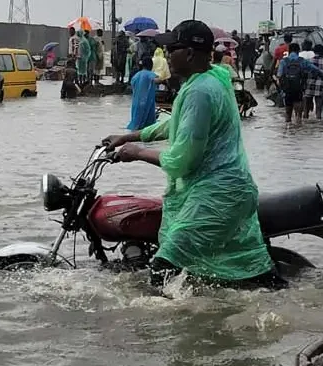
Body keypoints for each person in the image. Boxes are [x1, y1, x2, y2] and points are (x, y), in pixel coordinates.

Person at [102, 19, 277, 289]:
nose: (167, 56)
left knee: (165, 265)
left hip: (215, 196)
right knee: (241, 270)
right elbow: (176, 123)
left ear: (190, 53)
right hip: (228, 190)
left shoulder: (199, 91)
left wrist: (136, 153)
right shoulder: (214, 76)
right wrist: (129, 136)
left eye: (173, 50)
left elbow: (181, 160)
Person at [277, 43, 323, 123]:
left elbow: (279, 76)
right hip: (298, 89)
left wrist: (282, 90)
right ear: (298, 51)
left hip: (287, 90)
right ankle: (299, 132)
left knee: (288, 116)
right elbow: (316, 70)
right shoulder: (302, 61)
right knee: (299, 117)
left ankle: (288, 132)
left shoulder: (284, 61)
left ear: (289, 51)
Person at [127, 58, 158, 130]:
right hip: (147, 102)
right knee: (149, 125)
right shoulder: (150, 74)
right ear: (151, 66)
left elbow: (132, 85)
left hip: (136, 102)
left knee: (136, 122)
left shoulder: (136, 75)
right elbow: (156, 80)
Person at [303, 44, 323, 120]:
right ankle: (318, 125)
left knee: (305, 111)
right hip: (321, 86)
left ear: (314, 51)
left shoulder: (308, 61)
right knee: (318, 112)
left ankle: (304, 125)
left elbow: (304, 74)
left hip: (308, 86)